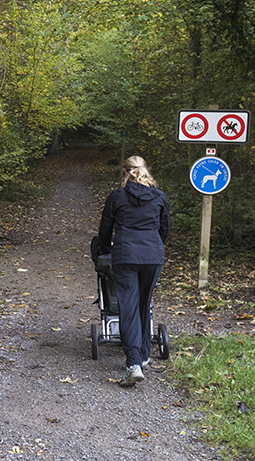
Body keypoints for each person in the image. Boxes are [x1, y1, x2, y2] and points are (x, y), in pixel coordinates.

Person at [97, 156, 170, 387]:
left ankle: (133, 364)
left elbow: (106, 228)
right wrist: (154, 247)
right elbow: (165, 228)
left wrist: (103, 249)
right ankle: (144, 354)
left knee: (128, 306)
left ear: (125, 172)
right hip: (152, 256)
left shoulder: (117, 196)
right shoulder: (159, 196)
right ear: (145, 170)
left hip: (126, 255)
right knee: (144, 303)